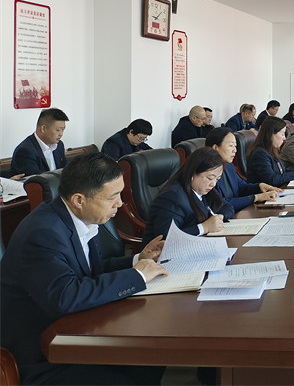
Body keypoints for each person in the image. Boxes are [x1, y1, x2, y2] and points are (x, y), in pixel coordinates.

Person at [0, 152, 167, 385]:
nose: (120, 203)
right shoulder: (43, 233)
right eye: (113, 196)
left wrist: (138, 260)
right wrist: (138, 275)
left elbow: (90, 271)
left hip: (75, 331)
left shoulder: (80, 218)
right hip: (44, 354)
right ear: (79, 200)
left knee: (151, 356)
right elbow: (66, 296)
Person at [143, 147, 235, 241]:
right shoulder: (172, 197)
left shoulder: (203, 190)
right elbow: (167, 239)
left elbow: (227, 207)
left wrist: (218, 219)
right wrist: (204, 227)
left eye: (217, 179)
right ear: (192, 174)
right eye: (210, 178)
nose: (213, 184)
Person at [205, 127, 280, 212]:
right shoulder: (207, 173)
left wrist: (259, 186)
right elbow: (221, 204)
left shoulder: (229, 165)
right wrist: (256, 197)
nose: (235, 150)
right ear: (215, 148)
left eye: (235, 146)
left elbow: (241, 187)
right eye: (230, 146)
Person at [247, 116, 294, 187]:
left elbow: (282, 171)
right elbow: (272, 180)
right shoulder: (259, 154)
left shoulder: (273, 150)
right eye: (282, 134)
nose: (284, 138)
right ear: (271, 134)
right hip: (265, 193)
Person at [10, 107, 69, 177]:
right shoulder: (25, 151)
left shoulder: (59, 145)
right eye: (58, 130)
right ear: (43, 128)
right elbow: (35, 181)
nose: (61, 134)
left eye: (63, 130)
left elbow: (64, 171)